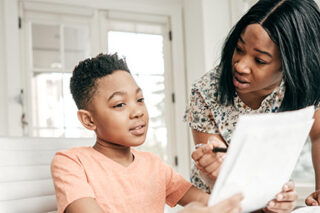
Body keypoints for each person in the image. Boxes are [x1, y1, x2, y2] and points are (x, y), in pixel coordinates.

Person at [50, 53, 243, 213]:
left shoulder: (154, 166)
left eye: (140, 99)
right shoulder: (70, 162)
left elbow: (215, 203)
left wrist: (216, 178)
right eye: (119, 104)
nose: (138, 112)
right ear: (88, 120)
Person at [185, 0, 320, 211]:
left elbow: (318, 134)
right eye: (239, 49)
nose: (240, 65)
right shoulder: (207, 91)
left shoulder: (304, 88)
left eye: (260, 60)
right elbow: (219, 175)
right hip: (217, 203)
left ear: (291, 65)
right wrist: (267, 202)